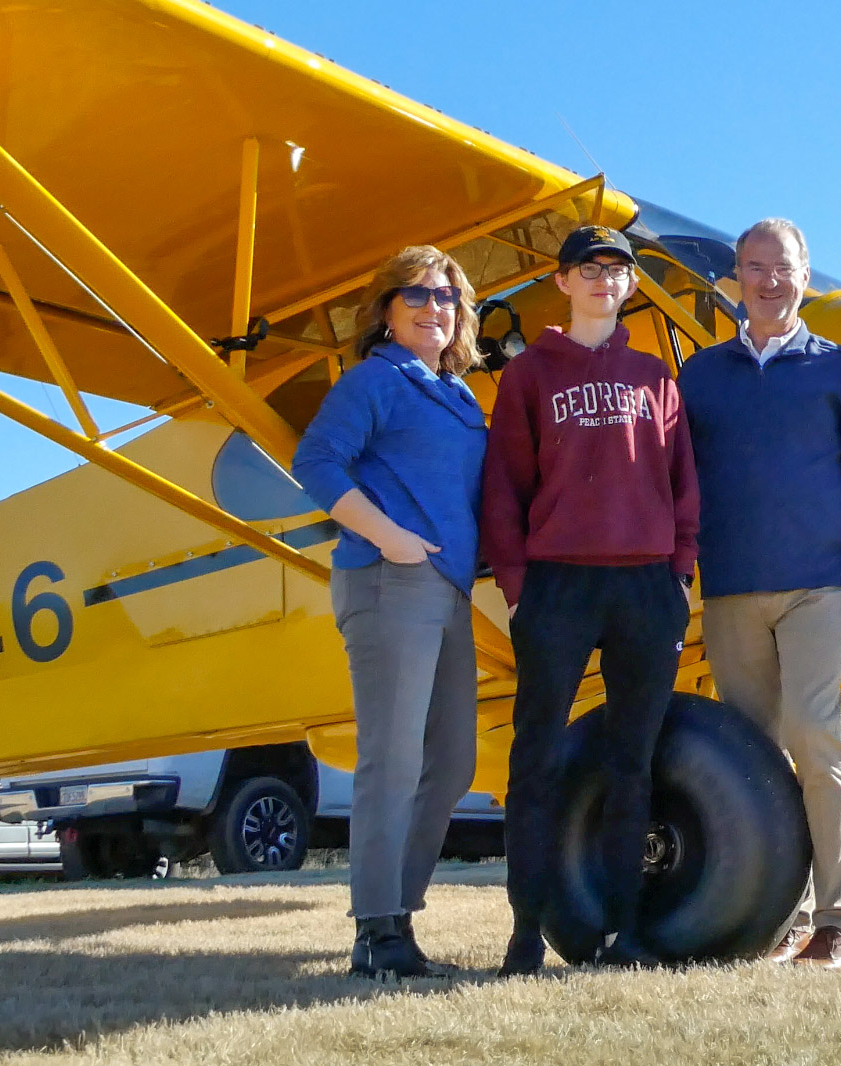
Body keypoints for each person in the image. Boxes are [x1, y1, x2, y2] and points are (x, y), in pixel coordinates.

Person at [678, 218, 841, 971]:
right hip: (731, 591)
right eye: (754, 267)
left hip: (818, 589)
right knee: (754, 752)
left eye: (783, 267)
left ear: (807, 275)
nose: (769, 281)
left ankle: (840, 920)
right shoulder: (701, 377)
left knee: (812, 733)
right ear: (736, 277)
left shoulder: (840, 371)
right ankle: (782, 915)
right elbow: (675, 486)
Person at [480, 225, 699, 973]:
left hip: (645, 586)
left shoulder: (656, 378)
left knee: (630, 762)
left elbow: (682, 487)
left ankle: (623, 932)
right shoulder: (529, 375)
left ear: (631, 284)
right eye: (588, 267)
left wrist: (679, 575)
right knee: (537, 756)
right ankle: (524, 932)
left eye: (617, 268)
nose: (604, 278)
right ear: (564, 282)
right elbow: (504, 489)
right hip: (558, 584)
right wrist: (517, 588)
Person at [292, 245, 487, 980]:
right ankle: (377, 930)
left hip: (448, 589)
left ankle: (397, 915)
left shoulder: (458, 396)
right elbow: (316, 461)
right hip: (389, 581)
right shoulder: (376, 379)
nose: (433, 306)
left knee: (452, 762)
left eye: (446, 296)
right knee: (394, 759)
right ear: (386, 311)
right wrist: (390, 536)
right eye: (417, 295)